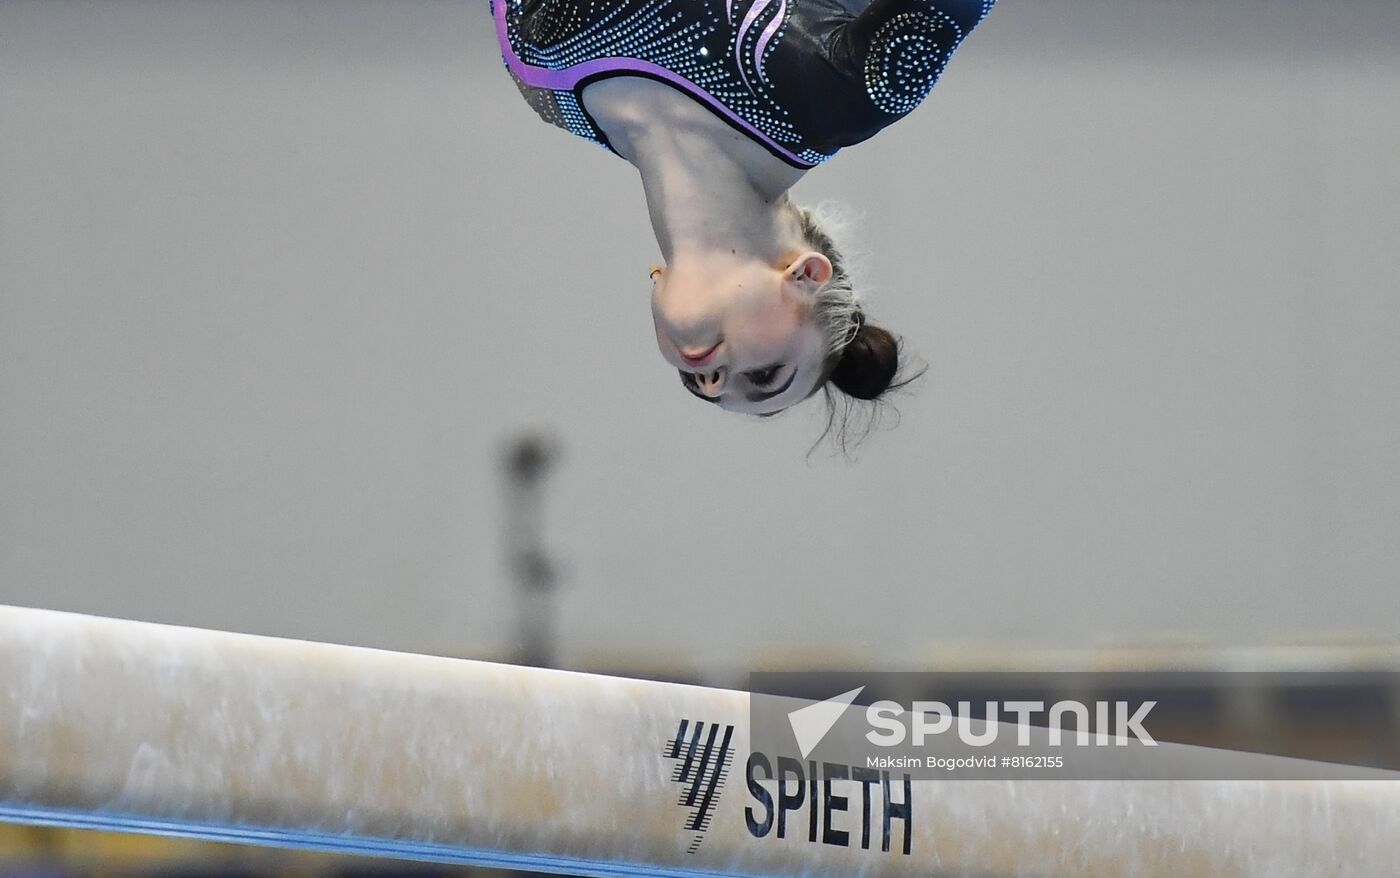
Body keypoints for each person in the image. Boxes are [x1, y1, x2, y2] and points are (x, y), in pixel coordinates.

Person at [493, 0, 995, 426]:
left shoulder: (545, 86)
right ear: (806, 275)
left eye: (695, 386)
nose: (711, 382)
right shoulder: (847, 94)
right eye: (764, 375)